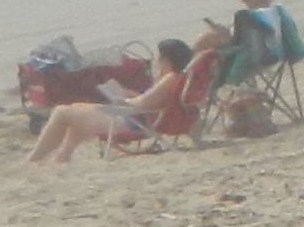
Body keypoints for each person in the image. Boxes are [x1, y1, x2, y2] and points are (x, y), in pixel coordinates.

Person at [29, 37, 202, 161]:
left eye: (161, 57)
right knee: (78, 110)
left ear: (166, 59)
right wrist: (131, 95)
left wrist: (122, 101)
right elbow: (152, 102)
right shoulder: (182, 78)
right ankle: (62, 155)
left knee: (62, 112)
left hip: (134, 124)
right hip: (146, 118)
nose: (158, 61)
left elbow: (143, 104)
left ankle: (35, 158)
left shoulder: (170, 78)